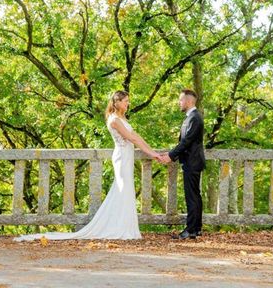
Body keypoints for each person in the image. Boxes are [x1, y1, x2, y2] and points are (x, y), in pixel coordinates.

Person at [15, 90, 161, 241]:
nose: (128, 103)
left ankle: (124, 226)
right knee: (123, 189)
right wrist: (152, 154)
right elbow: (132, 139)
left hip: (128, 156)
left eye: (128, 101)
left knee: (126, 189)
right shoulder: (114, 120)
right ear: (116, 102)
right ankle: (121, 228)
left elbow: (137, 136)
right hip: (122, 157)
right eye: (125, 101)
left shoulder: (122, 117)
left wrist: (153, 152)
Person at [158, 89, 205, 240]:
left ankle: (191, 230)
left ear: (189, 101)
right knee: (195, 196)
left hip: (193, 162)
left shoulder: (195, 118)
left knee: (192, 197)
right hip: (192, 161)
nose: (179, 103)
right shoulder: (191, 117)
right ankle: (196, 228)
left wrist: (171, 156)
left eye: (181, 100)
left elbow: (186, 141)